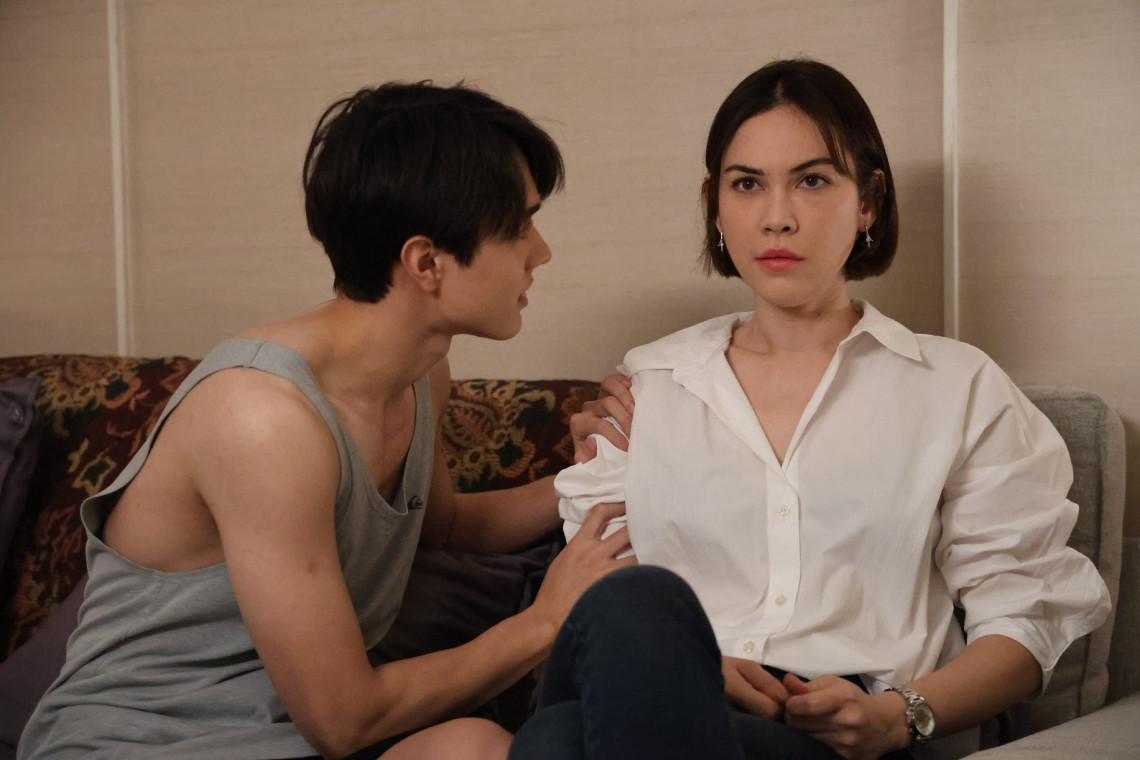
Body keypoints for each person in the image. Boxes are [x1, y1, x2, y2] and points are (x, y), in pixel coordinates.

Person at [510, 59, 1111, 760]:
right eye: (747, 184)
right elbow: (596, 592)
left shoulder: (957, 387)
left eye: (812, 180)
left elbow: (1026, 619)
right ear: (715, 204)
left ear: (869, 202)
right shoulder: (653, 382)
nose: (777, 217)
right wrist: (694, 665)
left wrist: (896, 716)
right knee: (631, 603)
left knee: (554, 740)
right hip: (670, 693)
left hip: (839, 732)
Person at [17, 82, 634, 760]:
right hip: (143, 746)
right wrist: (546, 620)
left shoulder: (419, 373)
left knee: (472, 746)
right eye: (519, 227)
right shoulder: (263, 420)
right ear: (427, 262)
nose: (540, 252)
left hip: (279, 736)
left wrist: (603, 472)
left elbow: (445, 529)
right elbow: (343, 720)